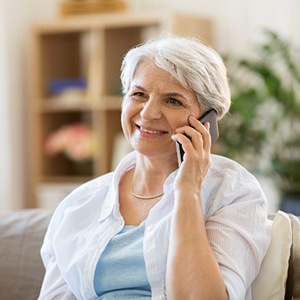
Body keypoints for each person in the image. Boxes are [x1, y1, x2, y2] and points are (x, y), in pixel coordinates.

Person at [38, 34, 271, 300]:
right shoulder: (79, 204)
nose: (148, 113)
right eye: (139, 94)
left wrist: (187, 191)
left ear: (207, 120)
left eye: (173, 100)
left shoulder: (232, 191)